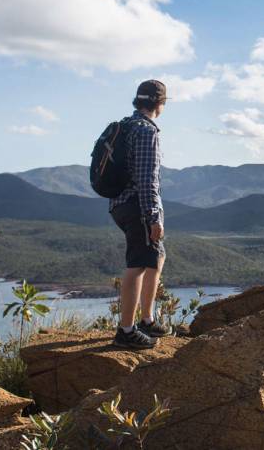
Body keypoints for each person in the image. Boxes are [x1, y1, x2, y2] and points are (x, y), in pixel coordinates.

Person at [109, 80, 170, 349]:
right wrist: (153, 216)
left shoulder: (125, 125)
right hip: (138, 206)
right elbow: (147, 179)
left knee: (156, 255)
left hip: (120, 203)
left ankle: (147, 320)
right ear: (160, 103)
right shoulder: (147, 131)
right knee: (137, 264)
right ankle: (127, 330)